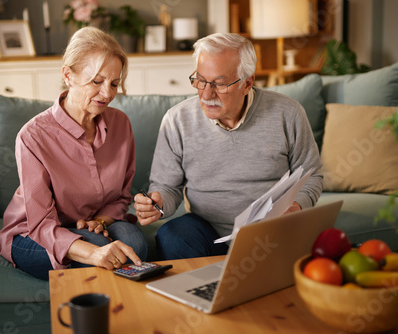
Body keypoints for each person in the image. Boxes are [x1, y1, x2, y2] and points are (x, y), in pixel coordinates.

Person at [134, 33, 323, 260]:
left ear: (247, 83)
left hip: (268, 229)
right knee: (172, 236)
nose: (206, 94)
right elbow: (166, 187)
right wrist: (157, 202)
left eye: (220, 84)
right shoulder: (177, 120)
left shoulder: (288, 113)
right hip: (206, 230)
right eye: (200, 80)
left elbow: (312, 175)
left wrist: (295, 207)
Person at [0, 27, 147, 281]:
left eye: (114, 83)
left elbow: (122, 197)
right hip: (35, 232)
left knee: (136, 244)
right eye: (97, 82)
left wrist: (100, 221)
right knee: (104, 258)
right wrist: (93, 254)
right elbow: (42, 224)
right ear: (68, 74)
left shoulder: (121, 124)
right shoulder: (33, 136)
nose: (108, 93)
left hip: (91, 223)